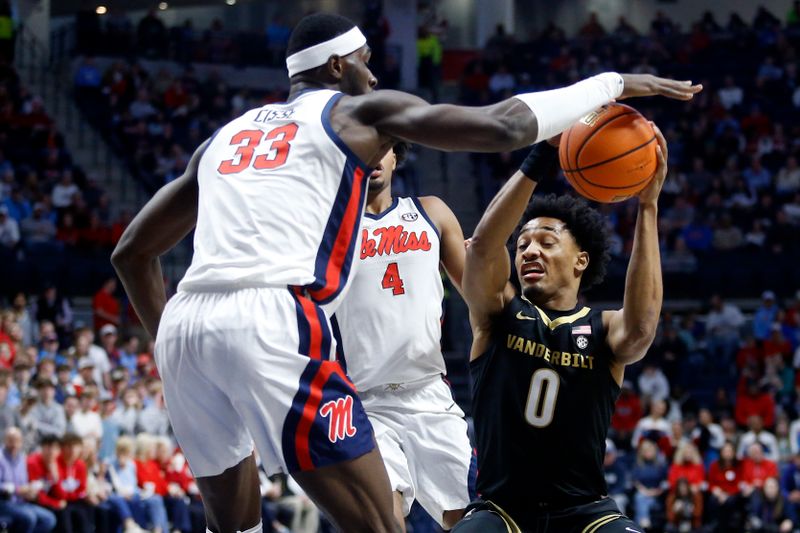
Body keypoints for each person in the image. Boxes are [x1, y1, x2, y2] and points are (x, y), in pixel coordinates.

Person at [110, 12, 700, 532]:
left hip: (187, 324)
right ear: (339, 64)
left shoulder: (226, 136)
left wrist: (168, 344)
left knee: (231, 525)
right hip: (275, 315)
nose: (372, 75)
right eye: (365, 63)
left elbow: (132, 253)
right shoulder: (356, 110)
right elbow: (501, 127)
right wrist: (611, 84)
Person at [453, 122, 672, 532]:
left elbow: (641, 329)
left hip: (587, 511)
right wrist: (541, 155)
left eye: (547, 241)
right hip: (502, 511)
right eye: (522, 245)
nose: (530, 250)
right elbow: (483, 247)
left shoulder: (603, 329)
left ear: (580, 260)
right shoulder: (497, 313)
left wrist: (647, 206)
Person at [334, 143, 472, 530]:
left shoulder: (431, 212)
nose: (372, 157)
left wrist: (491, 262)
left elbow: (481, 301)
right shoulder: (325, 228)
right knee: (383, 524)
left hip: (427, 392)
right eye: (361, 148)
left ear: (397, 155)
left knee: (471, 522)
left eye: (383, 147)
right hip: (360, 400)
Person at [0, 426, 57, 532]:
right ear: (5, 440)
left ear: (21, 442)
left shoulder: (22, 458)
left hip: (21, 502)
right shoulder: (1, 458)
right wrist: (16, 489)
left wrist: (30, 490)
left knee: (49, 519)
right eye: (11, 440)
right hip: (4, 503)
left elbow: (25, 484)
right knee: (29, 518)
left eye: (17, 441)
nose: (14, 444)